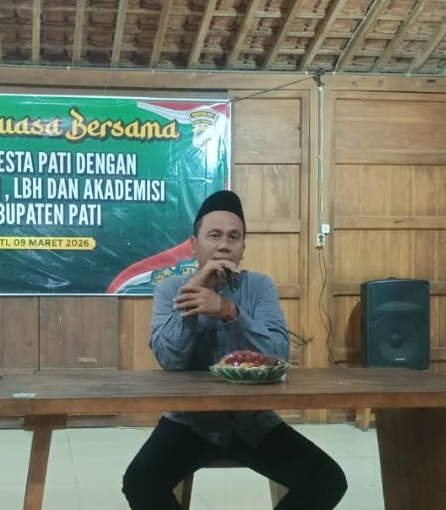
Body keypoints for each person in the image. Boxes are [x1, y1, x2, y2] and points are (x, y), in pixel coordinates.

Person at [122, 190, 347, 510]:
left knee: (328, 480)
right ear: (194, 244)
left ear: (243, 247)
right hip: (191, 421)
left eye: (234, 237)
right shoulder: (171, 288)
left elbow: (279, 354)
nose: (224, 245)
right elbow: (170, 360)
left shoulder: (259, 286)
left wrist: (230, 312)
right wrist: (196, 291)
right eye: (214, 235)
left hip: (252, 422)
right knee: (140, 483)